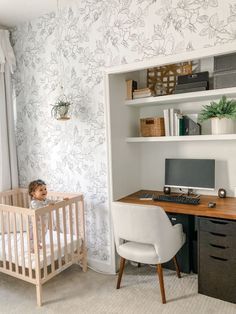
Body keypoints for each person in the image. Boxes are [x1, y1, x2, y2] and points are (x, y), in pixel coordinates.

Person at [28, 179, 55, 252]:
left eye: (45, 189)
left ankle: (38, 243)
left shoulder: (45, 200)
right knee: (34, 235)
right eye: (41, 190)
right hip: (35, 224)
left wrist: (61, 200)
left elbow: (53, 202)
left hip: (43, 223)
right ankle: (31, 247)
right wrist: (48, 205)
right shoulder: (34, 202)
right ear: (33, 194)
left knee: (41, 234)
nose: (44, 191)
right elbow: (39, 209)